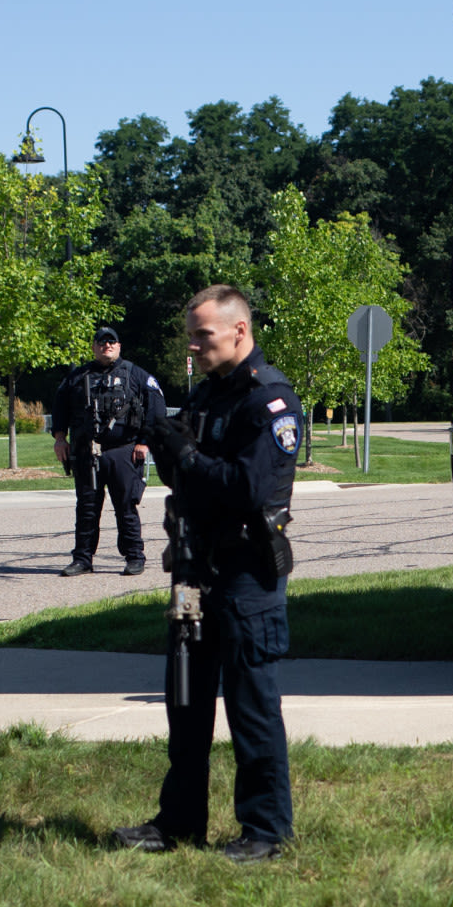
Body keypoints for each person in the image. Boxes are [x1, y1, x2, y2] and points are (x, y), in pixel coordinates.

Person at [111, 287, 298, 864]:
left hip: (244, 577)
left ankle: (266, 832)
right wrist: (165, 444)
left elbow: (247, 489)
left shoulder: (270, 402)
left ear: (239, 331)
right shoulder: (209, 395)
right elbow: (187, 482)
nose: (192, 346)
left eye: (203, 335)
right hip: (194, 573)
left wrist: (187, 457)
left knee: (251, 705)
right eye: (189, 335)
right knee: (186, 703)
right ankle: (179, 823)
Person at [50, 325, 167, 578]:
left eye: (111, 342)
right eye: (101, 343)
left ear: (119, 346)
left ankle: (135, 556)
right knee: (87, 508)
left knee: (126, 506)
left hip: (123, 451)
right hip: (86, 452)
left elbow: (156, 408)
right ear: (93, 347)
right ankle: (82, 559)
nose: (107, 346)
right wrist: (60, 438)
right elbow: (59, 408)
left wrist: (144, 442)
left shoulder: (136, 374)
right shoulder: (76, 377)